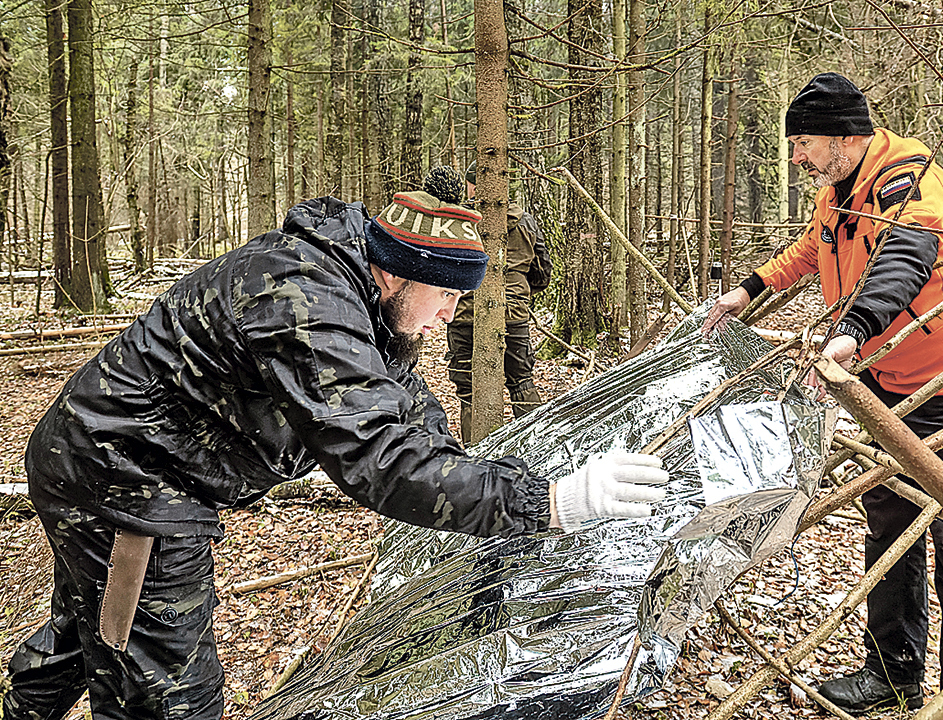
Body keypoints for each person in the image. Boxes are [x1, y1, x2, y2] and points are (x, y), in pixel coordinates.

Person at [2, 167, 668, 720]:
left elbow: (412, 417)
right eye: (445, 296)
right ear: (400, 272)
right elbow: (382, 462)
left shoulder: (361, 295)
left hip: (113, 464)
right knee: (166, 693)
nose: (448, 315)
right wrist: (550, 501)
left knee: (87, 638)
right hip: (125, 481)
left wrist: (506, 485)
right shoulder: (306, 300)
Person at [703, 73, 943, 719]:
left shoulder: (908, 180)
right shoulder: (838, 191)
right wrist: (750, 290)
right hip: (882, 383)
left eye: (804, 143)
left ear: (845, 139)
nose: (796, 157)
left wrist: (851, 331)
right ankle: (891, 676)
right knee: (889, 533)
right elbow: (812, 250)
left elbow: (904, 259)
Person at [447, 162, 552, 443]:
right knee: (521, 382)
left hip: (464, 312)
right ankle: (538, 446)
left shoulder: (458, 220)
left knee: (469, 390)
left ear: (473, 185)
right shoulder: (526, 221)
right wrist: (520, 292)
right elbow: (542, 272)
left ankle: (475, 453)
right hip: (513, 312)